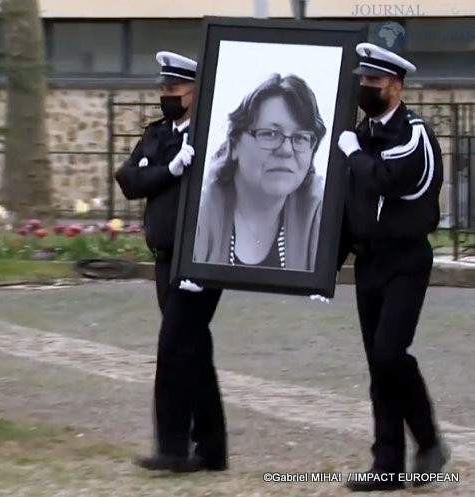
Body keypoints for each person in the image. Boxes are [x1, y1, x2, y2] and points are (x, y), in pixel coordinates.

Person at [335, 43, 449, 492]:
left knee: (389, 353)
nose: (367, 88)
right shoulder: (360, 137)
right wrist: (327, 268)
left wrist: (352, 152)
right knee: (377, 365)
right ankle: (387, 465)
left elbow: (388, 177)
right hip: (370, 263)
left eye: (375, 83)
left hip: (406, 259)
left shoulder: (413, 133)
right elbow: (348, 207)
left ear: (396, 86)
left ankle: (429, 440)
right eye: (363, 81)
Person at [114, 51, 228, 472]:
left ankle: (173, 447)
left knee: (173, 346)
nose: (168, 95)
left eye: (175, 89)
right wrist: (170, 170)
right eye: (163, 89)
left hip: (199, 258)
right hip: (165, 259)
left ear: (195, 92)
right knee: (193, 349)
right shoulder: (159, 135)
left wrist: (207, 257)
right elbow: (129, 180)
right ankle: (212, 449)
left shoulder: (211, 135)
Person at [193, 73, 327, 270]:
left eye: (300, 137)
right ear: (235, 144)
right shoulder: (200, 211)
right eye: (270, 134)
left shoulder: (319, 211)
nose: (286, 150)